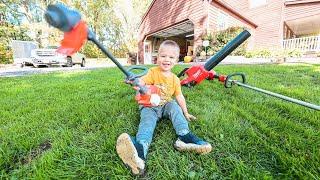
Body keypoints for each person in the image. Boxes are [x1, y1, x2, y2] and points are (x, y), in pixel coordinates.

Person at [116, 40, 212, 175]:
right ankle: (140, 151)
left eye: (171, 57)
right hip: (149, 106)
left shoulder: (175, 79)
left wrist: (186, 112)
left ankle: (184, 137)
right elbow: (142, 82)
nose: (167, 59)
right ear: (157, 58)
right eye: (163, 56)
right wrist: (135, 81)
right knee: (147, 122)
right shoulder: (153, 72)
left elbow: (179, 96)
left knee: (174, 106)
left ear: (176, 60)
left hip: (165, 105)